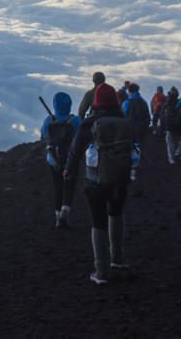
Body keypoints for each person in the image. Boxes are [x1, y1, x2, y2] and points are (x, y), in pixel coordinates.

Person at [64, 82, 135, 284]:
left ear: (95, 102)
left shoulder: (89, 124)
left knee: (98, 221)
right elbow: (135, 148)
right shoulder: (125, 122)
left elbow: (75, 150)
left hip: (95, 180)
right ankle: (118, 259)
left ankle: (101, 271)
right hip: (120, 178)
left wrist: (69, 170)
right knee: (116, 214)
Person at [40, 92, 82, 229]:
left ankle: (57, 217)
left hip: (53, 159)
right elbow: (80, 139)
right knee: (69, 185)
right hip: (71, 158)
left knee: (57, 186)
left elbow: (43, 136)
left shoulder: (48, 120)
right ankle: (65, 210)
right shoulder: (75, 120)